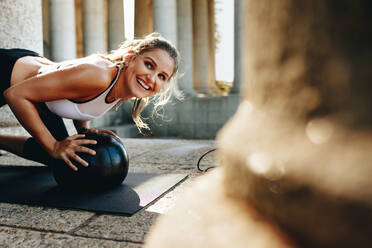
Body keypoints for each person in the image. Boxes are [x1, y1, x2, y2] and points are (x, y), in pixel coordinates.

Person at [0, 33, 179, 171]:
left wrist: (84, 130)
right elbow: (15, 95)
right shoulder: (99, 76)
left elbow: (80, 99)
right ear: (131, 57)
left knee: (67, 157)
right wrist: (54, 145)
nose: (151, 78)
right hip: (7, 70)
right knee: (55, 150)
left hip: (39, 95)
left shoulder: (121, 88)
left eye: (161, 76)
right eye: (149, 65)